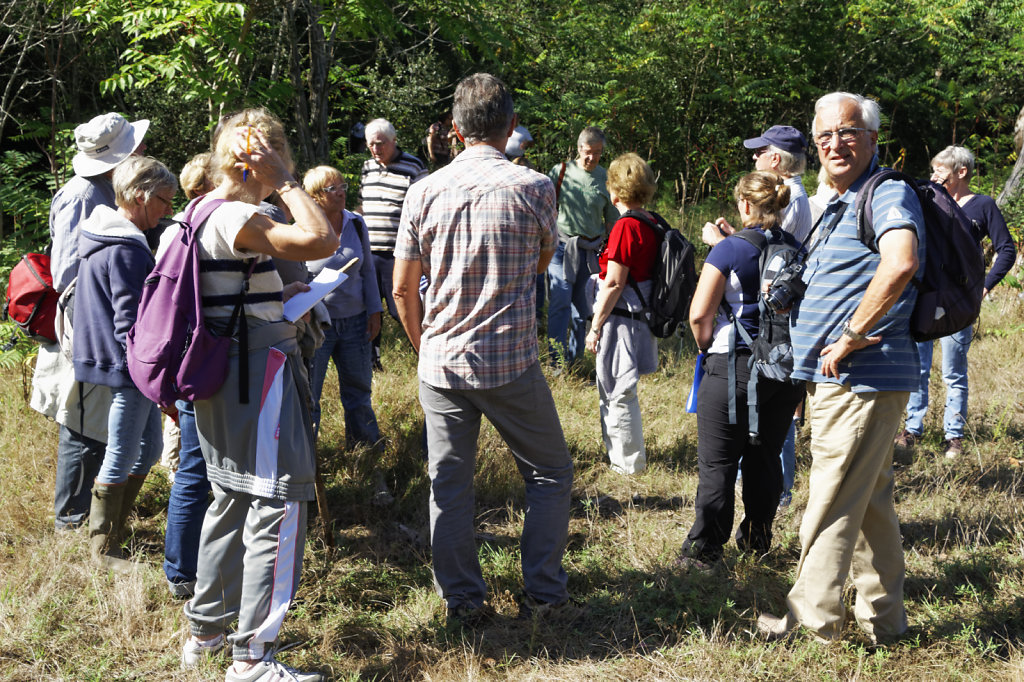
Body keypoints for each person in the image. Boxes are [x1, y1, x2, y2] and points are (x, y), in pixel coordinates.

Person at [392, 73, 576, 625]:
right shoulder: (536, 187)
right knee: (549, 474)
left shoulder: (422, 190)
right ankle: (543, 592)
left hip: (442, 362)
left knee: (448, 485)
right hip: (510, 359)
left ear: (453, 130)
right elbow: (543, 261)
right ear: (511, 126)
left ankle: (463, 603)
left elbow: (403, 288)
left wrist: (426, 346)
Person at [758, 91, 925, 644]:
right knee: (868, 501)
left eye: (848, 131)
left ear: (873, 139)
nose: (835, 143)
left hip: (861, 375)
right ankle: (885, 620)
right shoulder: (843, 196)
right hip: (847, 379)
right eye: (825, 135)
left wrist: (850, 334)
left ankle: (812, 621)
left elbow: (901, 262)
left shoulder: (887, 192)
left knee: (829, 499)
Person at [178, 108, 337, 682]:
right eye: (277, 155)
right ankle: (253, 656)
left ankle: (207, 633)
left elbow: (233, 289)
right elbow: (321, 237)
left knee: (231, 498)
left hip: (226, 378)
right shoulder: (239, 213)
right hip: (258, 378)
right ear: (256, 159)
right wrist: (286, 183)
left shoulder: (198, 209)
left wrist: (275, 293)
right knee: (277, 500)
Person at [677, 171, 806, 566]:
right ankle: (757, 540)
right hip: (783, 371)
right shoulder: (798, 248)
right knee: (766, 458)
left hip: (732, 365)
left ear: (746, 206)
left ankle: (705, 551)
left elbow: (699, 314)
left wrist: (706, 347)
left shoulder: (728, 250)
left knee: (718, 462)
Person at [30, 112, 149, 531]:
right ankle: (71, 522)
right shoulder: (83, 194)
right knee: (83, 424)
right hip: (87, 323)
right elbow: (66, 272)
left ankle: (98, 515)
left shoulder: (107, 189)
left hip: (104, 317)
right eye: (136, 146)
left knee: (104, 422)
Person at [71, 155, 174, 567]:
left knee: (148, 448)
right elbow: (129, 322)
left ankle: (118, 526)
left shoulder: (104, 234)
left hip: (118, 361)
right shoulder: (127, 248)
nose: (168, 210)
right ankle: (103, 548)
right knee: (122, 448)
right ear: (139, 196)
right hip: (127, 364)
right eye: (164, 201)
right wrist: (147, 371)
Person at [702, 124, 813, 507]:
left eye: (760, 151)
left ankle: (709, 546)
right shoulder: (795, 223)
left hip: (748, 352)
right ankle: (759, 530)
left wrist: (724, 246)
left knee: (730, 454)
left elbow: (701, 314)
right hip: (779, 353)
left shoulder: (793, 207)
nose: (754, 156)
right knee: (765, 449)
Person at [895, 145, 1016, 458]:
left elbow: (1006, 249)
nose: (934, 175)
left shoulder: (983, 205)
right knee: (917, 367)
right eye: (933, 169)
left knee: (953, 370)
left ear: (961, 172)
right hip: (923, 296)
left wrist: (985, 286)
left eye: (941, 170)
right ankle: (911, 429)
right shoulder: (929, 199)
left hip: (958, 301)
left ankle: (954, 436)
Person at [584, 153, 660, 475]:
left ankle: (627, 466)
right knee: (620, 389)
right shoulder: (652, 221)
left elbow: (614, 282)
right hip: (638, 318)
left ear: (615, 190)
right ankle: (622, 459)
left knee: (618, 390)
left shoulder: (626, 227)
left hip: (621, 319)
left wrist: (594, 326)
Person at [303, 165, 383, 446]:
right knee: (309, 394)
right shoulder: (302, 229)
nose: (340, 193)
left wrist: (376, 312)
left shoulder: (356, 224)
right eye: (331, 189)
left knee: (359, 390)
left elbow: (368, 271)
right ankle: (307, 458)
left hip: (357, 320)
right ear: (314, 197)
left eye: (342, 187)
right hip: (317, 324)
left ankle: (366, 447)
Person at [358, 118, 428, 369]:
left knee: (403, 308)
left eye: (380, 143)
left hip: (399, 253)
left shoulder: (413, 166)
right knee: (370, 309)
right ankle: (372, 360)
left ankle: (424, 354)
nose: (376, 149)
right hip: (369, 252)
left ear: (394, 140)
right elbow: (361, 205)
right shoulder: (367, 167)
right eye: (371, 145)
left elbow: (425, 209)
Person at [547, 126, 618, 368]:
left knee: (583, 309)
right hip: (561, 248)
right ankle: (556, 361)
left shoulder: (605, 178)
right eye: (588, 152)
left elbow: (611, 218)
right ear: (579, 149)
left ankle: (575, 362)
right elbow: (545, 208)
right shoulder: (561, 171)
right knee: (560, 302)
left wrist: (608, 249)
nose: (592, 158)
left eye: (597, 153)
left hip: (591, 252)